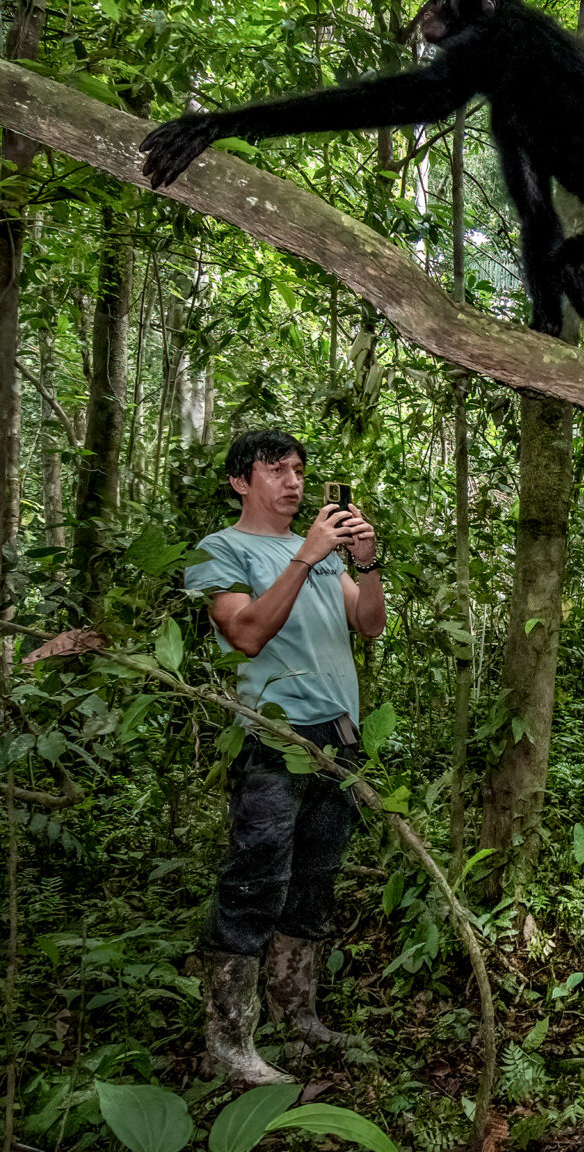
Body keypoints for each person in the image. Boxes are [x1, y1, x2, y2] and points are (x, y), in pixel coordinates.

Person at [182, 430, 386, 1086]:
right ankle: (230, 1043)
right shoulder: (223, 549)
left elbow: (371, 624)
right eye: (276, 470)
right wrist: (305, 557)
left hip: (339, 740)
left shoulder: (325, 553)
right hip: (273, 740)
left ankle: (297, 1018)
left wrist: (365, 562)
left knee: (314, 883)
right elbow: (244, 632)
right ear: (242, 481)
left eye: (299, 469)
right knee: (253, 884)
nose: (294, 482)